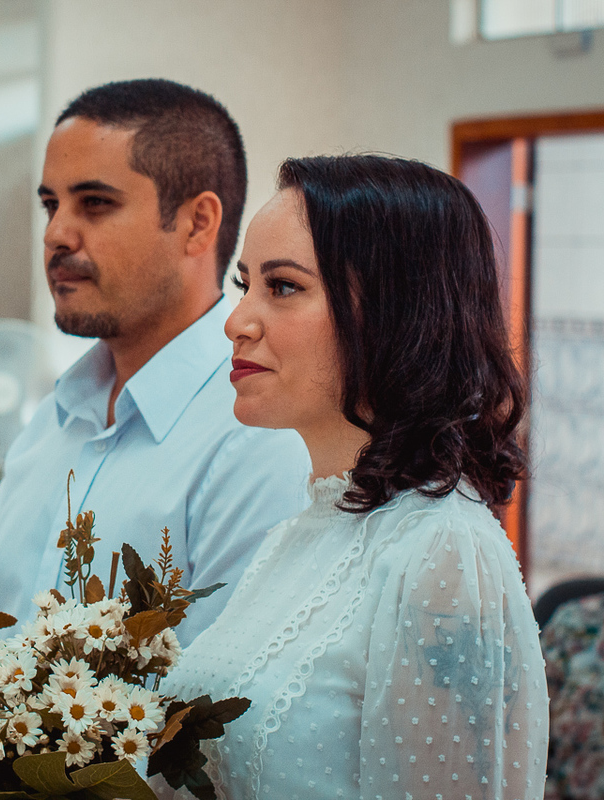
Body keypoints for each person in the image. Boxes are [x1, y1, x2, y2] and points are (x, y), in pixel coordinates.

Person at [158, 155, 548, 799]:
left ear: (397, 312)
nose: (237, 322)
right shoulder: (301, 534)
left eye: (283, 287)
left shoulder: (444, 551)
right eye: (244, 284)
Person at [0, 79, 312, 646]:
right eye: (51, 205)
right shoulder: (49, 424)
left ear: (197, 224)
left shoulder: (259, 437)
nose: (56, 234)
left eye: (95, 203)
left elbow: (227, 691)